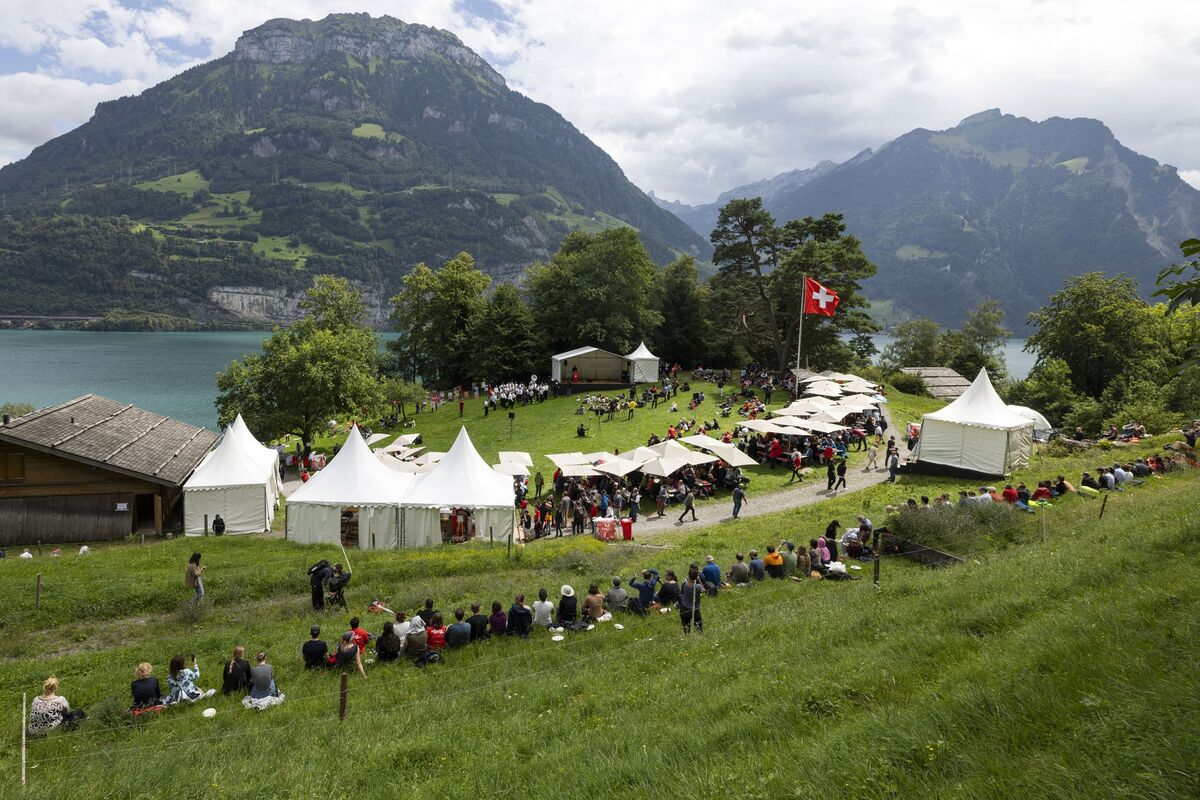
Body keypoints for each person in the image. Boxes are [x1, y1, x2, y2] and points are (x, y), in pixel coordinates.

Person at [678, 567, 704, 634]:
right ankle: (700, 635)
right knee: (699, 628)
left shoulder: (684, 584)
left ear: (688, 575)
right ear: (696, 577)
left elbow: (681, 593)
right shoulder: (698, 586)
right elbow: (704, 591)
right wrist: (699, 580)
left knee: (686, 628)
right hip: (695, 609)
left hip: (684, 608)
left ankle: (687, 636)